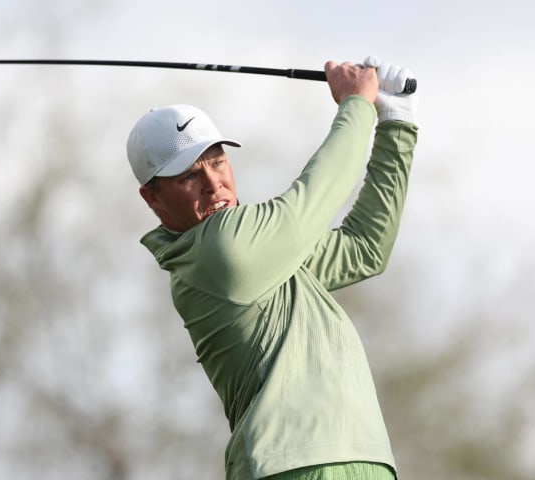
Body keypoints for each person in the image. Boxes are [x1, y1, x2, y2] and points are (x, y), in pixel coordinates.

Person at [126, 56, 418, 480]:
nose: (214, 183)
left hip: (364, 459)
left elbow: (363, 247)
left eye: (217, 161)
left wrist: (396, 122)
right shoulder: (218, 251)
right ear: (152, 198)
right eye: (189, 176)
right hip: (290, 467)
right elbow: (312, 200)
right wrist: (356, 105)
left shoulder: (266, 253)